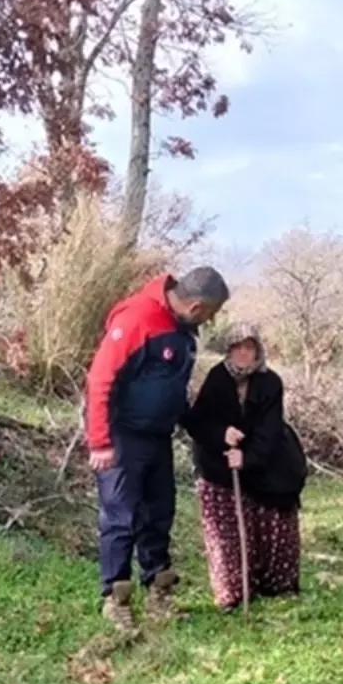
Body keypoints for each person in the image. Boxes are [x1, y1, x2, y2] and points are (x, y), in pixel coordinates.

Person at [86, 266, 230, 631]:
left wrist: (211, 433)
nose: (210, 321)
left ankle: (158, 593)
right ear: (196, 306)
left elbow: (173, 393)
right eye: (210, 314)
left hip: (157, 437)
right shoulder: (138, 318)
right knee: (120, 518)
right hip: (121, 438)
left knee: (158, 514)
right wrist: (100, 442)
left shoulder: (182, 332)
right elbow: (100, 379)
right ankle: (115, 599)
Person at [185, 322, 306, 612]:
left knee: (274, 518)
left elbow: (270, 429)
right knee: (227, 532)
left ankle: (276, 585)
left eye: (249, 347)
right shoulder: (217, 378)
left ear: (258, 352)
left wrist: (248, 458)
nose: (242, 353)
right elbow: (198, 422)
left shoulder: (270, 382)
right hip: (219, 465)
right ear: (228, 350)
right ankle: (234, 591)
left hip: (266, 463)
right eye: (237, 347)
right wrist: (221, 435)